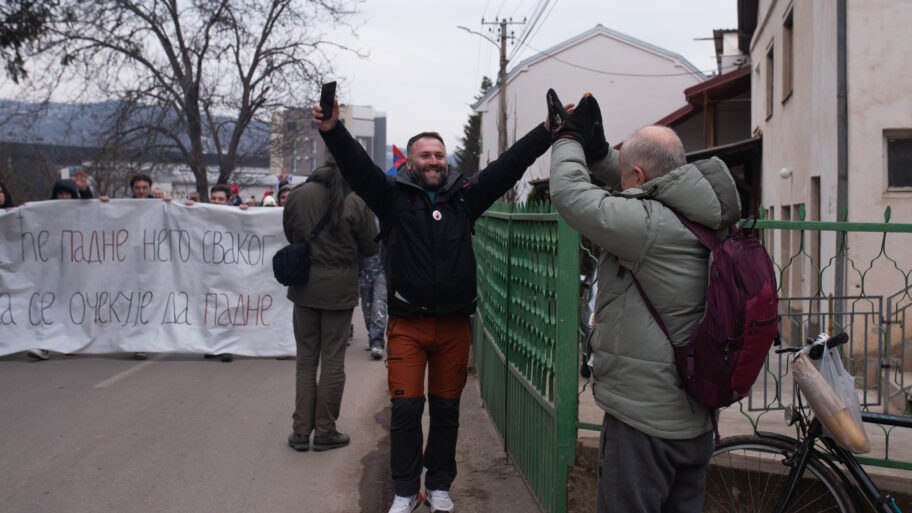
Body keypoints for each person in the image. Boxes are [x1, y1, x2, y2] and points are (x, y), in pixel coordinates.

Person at [313, 98, 551, 513]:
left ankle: (439, 485)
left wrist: (546, 130)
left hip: (454, 327)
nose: (434, 161)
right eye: (425, 155)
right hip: (408, 326)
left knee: (446, 412)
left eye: (439, 155)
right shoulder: (391, 198)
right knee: (406, 411)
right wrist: (333, 130)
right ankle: (405, 490)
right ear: (411, 163)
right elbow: (356, 166)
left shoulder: (465, 197)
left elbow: (509, 166)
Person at [546, 92, 741, 513]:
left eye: (623, 174)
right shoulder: (702, 215)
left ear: (637, 173)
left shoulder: (647, 226)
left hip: (643, 424)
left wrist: (566, 139)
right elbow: (638, 186)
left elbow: (569, 195)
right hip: (693, 418)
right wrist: (600, 153)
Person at [283, 159, 379, 453]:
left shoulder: (298, 194)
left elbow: (291, 234)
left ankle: (300, 431)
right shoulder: (356, 201)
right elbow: (371, 247)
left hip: (304, 285)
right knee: (333, 361)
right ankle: (325, 430)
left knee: (306, 359)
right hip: (339, 290)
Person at [358, 219, 387, 360]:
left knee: (379, 302)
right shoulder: (362, 210)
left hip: (383, 266)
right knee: (367, 305)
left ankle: (377, 341)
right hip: (365, 267)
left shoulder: (386, 208)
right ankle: (372, 335)